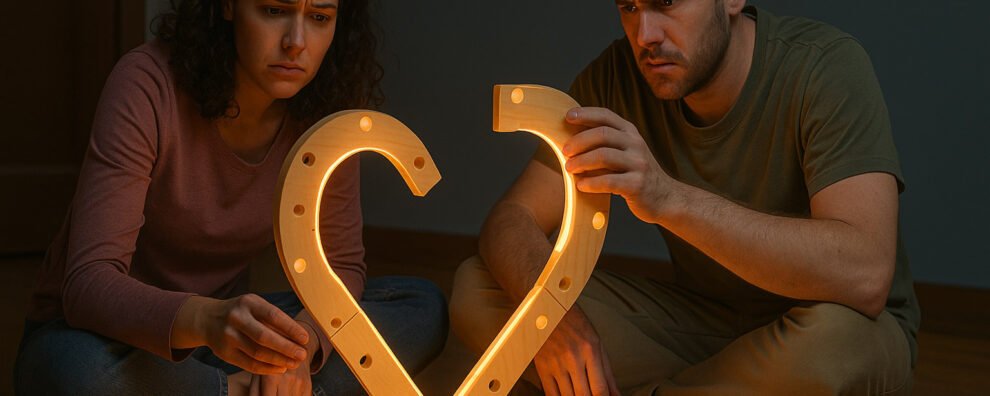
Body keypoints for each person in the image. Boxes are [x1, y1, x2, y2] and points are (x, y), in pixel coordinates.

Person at [450, 1, 918, 394]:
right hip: (700, 323)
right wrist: (552, 319)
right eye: (629, 7)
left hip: (826, 324)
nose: (645, 35)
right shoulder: (616, 77)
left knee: (829, 349)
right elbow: (513, 217)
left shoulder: (825, 65)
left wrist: (668, 198)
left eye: (666, 3)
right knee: (480, 287)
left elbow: (866, 274)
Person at [15, 0, 447, 394]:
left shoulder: (327, 112)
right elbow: (88, 284)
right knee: (80, 372)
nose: (296, 42)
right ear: (228, 6)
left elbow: (342, 267)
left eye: (319, 17)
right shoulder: (147, 83)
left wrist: (299, 350)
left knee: (419, 305)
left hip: (226, 341)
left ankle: (242, 387)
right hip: (104, 338)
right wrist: (207, 320)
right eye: (274, 10)